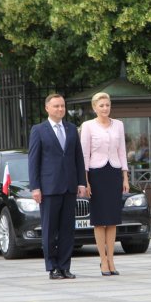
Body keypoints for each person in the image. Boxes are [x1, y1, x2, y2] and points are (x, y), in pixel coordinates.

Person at [28, 93, 87, 280]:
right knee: (50, 229)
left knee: (67, 230)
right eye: (56, 106)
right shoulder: (39, 130)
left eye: (62, 106)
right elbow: (33, 161)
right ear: (47, 108)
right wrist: (35, 187)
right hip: (49, 187)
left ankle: (65, 266)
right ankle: (52, 266)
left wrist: (81, 182)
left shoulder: (71, 129)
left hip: (69, 186)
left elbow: (78, 157)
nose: (60, 109)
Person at [80, 92, 130, 276]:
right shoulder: (88, 126)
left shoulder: (119, 125)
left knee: (113, 220)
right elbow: (84, 154)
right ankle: (103, 260)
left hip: (114, 172)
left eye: (107, 105)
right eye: (101, 105)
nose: (105, 108)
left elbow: (122, 151)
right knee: (100, 221)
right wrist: (85, 181)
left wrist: (125, 177)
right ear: (94, 107)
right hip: (96, 173)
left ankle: (112, 260)